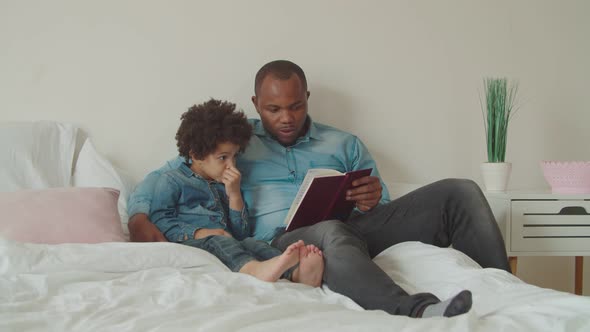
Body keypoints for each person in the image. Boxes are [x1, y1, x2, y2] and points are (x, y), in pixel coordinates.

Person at [128, 60, 511, 318]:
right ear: (256, 104)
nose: (286, 118)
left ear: (307, 99)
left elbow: (383, 206)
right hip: (287, 239)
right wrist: (140, 213)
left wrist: (373, 199)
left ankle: (509, 296)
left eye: (295, 106)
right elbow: (183, 166)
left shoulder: (344, 143)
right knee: (331, 230)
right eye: (273, 109)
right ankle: (417, 310)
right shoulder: (237, 138)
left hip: (355, 229)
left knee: (460, 191)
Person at [149, 98, 324, 286]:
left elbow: (240, 233)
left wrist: (234, 195)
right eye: (223, 158)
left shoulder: (224, 184)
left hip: (229, 242)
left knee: (254, 243)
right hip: (194, 244)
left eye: (234, 157)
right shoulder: (172, 180)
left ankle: (296, 272)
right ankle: (253, 269)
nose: (231, 165)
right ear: (196, 155)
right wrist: (199, 232)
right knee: (219, 241)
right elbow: (160, 220)